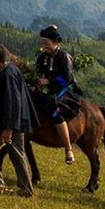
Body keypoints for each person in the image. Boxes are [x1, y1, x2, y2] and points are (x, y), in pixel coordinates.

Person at [0, 43, 38, 197]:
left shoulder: (8, 75)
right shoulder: (11, 69)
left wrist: (9, 129)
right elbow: (7, 93)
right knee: (17, 153)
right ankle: (26, 189)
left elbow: (13, 101)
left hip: (12, 122)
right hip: (17, 120)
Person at [35, 24, 80, 165]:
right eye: (42, 43)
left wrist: (48, 81)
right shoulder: (43, 56)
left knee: (53, 108)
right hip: (48, 88)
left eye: (46, 43)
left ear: (55, 43)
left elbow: (67, 79)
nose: (44, 46)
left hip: (65, 90)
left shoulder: (64, 57)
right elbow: (37, 71)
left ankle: (68, 148)